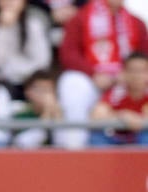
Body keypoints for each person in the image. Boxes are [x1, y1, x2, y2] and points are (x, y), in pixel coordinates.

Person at [57, 0, 148, 148]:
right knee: (72, 83)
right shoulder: (81, 17)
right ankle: (74, 148)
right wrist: (94, 74)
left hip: (129, 81)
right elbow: (69, 54)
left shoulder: (135, 22)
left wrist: (129, 73)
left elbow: (143, 57)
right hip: (93, 80)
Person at [0, 0, 52, 98]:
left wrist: (15, 70)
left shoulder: (33, 25)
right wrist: (3, 28)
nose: (9, 2)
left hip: (24, 82)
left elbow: (42, 62)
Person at [90, 51, 148, 144]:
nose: (137, 76)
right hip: (116, 138)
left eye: (142, 71)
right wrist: (122, 115)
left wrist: (141, 119)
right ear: (124, 73)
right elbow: (96, 115)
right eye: (132, 70)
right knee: (97, 138)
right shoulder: (117, 93)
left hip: (140, 139)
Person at [11, 68, 64, 147]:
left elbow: (64, 145)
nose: (46, 96)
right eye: (41, 90)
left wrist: (58, 117)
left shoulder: (60, 113)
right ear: (28, 92)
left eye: (49, 90)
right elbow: (23, 144)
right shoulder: (20, 113)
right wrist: (46, 116)